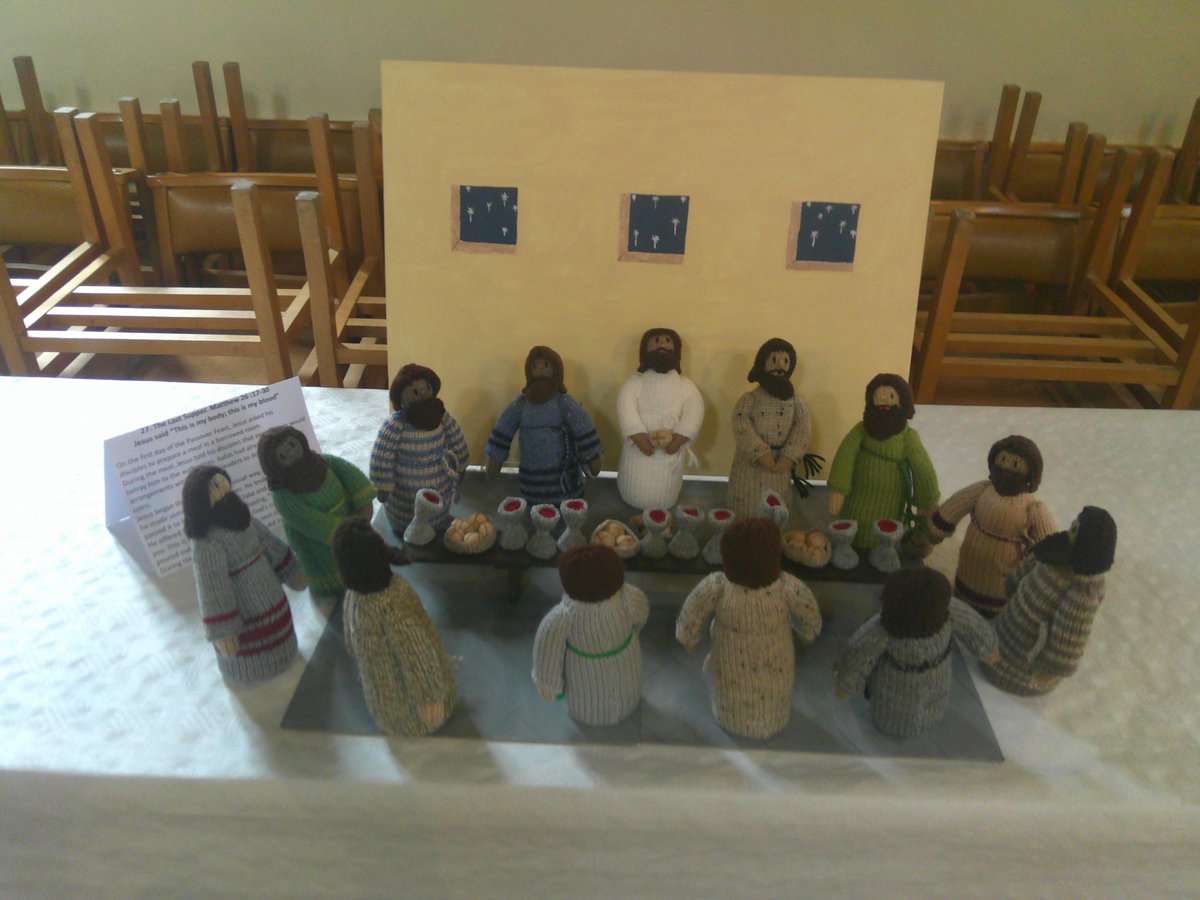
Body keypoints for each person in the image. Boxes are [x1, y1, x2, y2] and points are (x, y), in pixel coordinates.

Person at [676, 518, 822, 740]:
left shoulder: (717, 586)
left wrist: (689, 639)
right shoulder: (788, 587)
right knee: (774, 689)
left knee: (731, 688)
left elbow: (691, 613)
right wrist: (807, 632)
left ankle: (734, 721)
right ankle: (770, 719)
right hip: (777, 668)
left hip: (730, 670)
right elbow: (810, 615)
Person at [833, 568, 997, 739]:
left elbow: (971, 624)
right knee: (895, 718)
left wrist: (845, 685)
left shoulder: (945, 614)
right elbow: (858, 654)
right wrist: (846, 683)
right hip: (893, 699)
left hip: (935, 689)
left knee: (933, 710)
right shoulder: (882, 632)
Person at [333, 519, 456, 735]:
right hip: (417, 712)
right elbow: (418, 654)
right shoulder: (392, 605)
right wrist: (431, 700)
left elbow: (351, 640)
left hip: (383, 702)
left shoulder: (354, 598)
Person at [183, 465, 305, 682]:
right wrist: (223, 630)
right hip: (245, 610)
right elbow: (212, 587)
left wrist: (290, 569)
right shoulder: (207, 544)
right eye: (214, 486)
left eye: (222, 482)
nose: (223, 489)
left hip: (272, 598)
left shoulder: (241, 518)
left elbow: (269, 543)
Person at [982, 506, 1116, 696]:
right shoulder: (1056, 551)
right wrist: (1014, 583)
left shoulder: (1082, 590)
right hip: (1006, 628)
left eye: (1076, 531)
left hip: (1023, 666)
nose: (1070, 533)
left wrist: (1051, 669)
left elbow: (1069, 638)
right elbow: (1029, 566)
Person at [930, 435, 1056, 618]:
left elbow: (1050, 544)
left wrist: (1049, 564)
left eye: (1014, 467)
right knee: (964, 594)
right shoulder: (981, 491)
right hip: (969, 567)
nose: (1006, 470)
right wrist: (938, 527)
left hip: (1004, 579)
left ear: (1031, 476)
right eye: (1002, 462)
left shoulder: (1033, 508)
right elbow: (957, 504)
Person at [532, 544, 650, 726]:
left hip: (584, 680)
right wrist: (633, 633)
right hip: (626, 661)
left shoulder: (563, 616)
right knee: (624, 686)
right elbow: (642, 614)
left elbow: (547, 649)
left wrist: (548, 683)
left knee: (589, 695)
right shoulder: (628, 597)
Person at [257, 426, 375, 600]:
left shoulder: (323, 462)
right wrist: (349, 532)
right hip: (319, 541)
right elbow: (312, 522)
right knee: (334, 564)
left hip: (352, 522)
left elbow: (351, 475)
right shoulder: (283, 497)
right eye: (282, 455)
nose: (290, 452)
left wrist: (363, 501)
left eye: (292, 444)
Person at [827, 373, 938, 550]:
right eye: (879, 395)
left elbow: (922, 466)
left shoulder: (908, 437)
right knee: (853, 525)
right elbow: (845, 456)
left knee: (887, 533)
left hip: (891, 505)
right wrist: (838, 489)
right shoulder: (861, 430)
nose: (884, 400)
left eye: (891, 396)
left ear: (902, 403)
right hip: (857, 499)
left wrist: (926, 500)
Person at [485, 346, 602, 504]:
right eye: (535, 366)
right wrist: (495, 457)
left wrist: (591, 456)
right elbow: (504, 428)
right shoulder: (521, 404)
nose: (540, 369)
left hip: (564, 482)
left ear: (556, 370)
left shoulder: (564, 403)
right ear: (529, 372)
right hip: (531, 483)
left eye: (545, 365)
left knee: (568, 506)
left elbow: (583, 428)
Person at [370, 364, 468, 535]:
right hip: (405, 488)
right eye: (415, 391)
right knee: (408, 512)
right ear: (401, 397)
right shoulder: (396, 424)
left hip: (438, 478)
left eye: (427, 388)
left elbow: (456, 438)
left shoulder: (441, 416)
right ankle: (405, 527)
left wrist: (461, 463)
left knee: (438, 510)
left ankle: (438, 523)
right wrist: (382, 484)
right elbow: (382, 455)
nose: (423, 393)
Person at [616, 327, 704, 509]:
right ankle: (631, 494)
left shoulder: (685, 386)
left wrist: (679, 439)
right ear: (644, 350)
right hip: (637, 453)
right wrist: (639, 438)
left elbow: (694, 412)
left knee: (664, 490)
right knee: (635, 480)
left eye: (667, 341)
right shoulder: (636, 383)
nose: (662, 344)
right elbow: (625, 408)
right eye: (656, 341)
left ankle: (663, 500)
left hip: (669, 455)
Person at [726, 337, 813, 519]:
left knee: (776, 508)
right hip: (749, 466)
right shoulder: (750, 399)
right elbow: (741, 424)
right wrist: (759, 452)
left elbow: (802, 429)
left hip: (780, 467)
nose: (780, 365)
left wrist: (789, 456)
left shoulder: (795, 402)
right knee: (746, 506)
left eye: (786, 361)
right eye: (774, 360)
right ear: (762, 363)